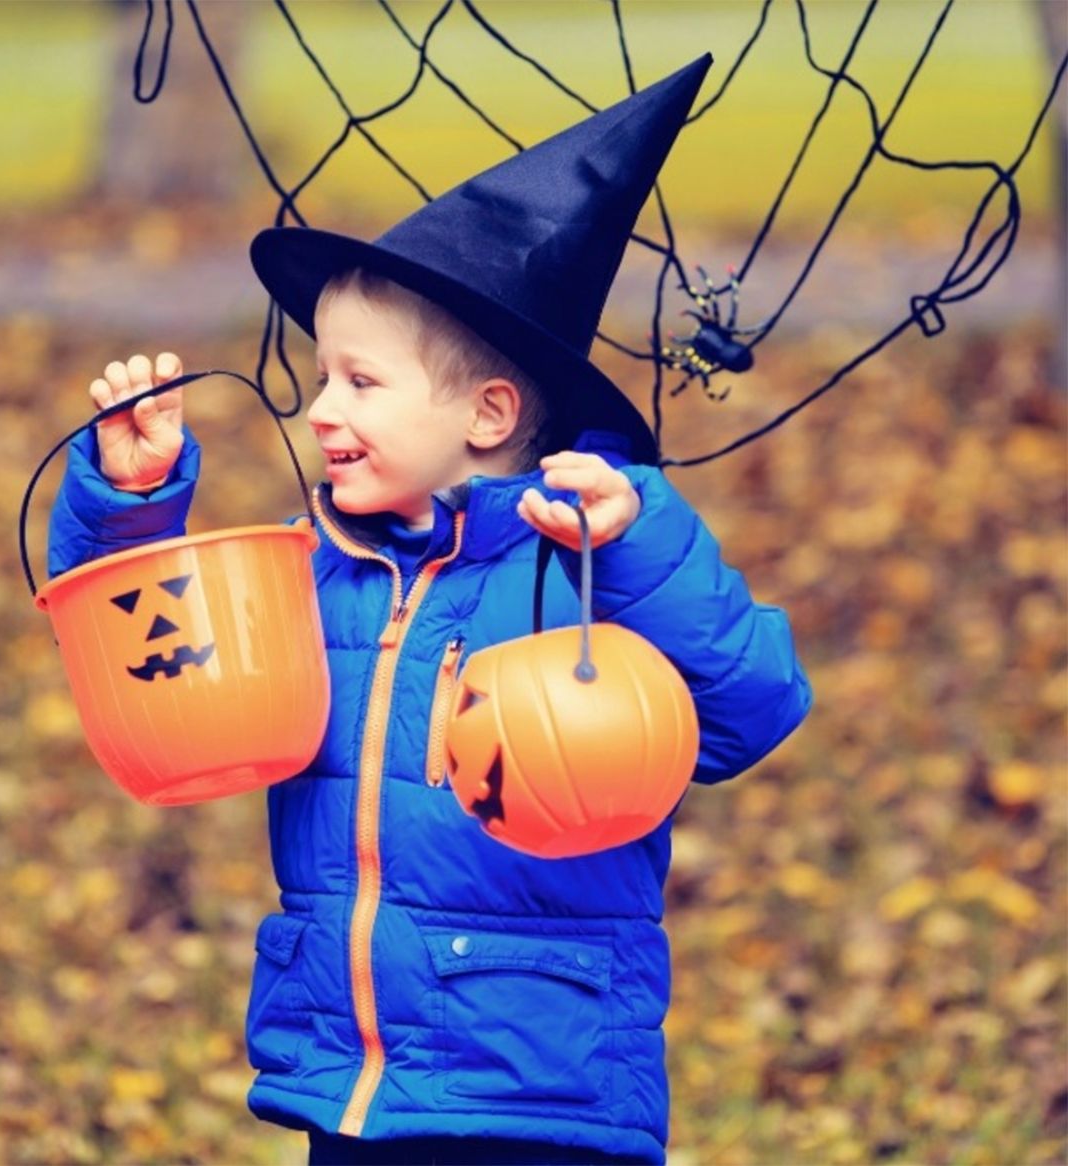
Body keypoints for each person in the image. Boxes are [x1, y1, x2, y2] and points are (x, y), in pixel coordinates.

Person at [48, 56, 811, 1165]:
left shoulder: (581, 570)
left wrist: (639, 536)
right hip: (350, 1081)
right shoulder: (320, 571)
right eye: (320, 379)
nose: (320, 411)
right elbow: (158, 654)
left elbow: (750, 706)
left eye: (361, 381)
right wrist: (129, 503)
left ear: (489, 413)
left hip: (538, 1091)